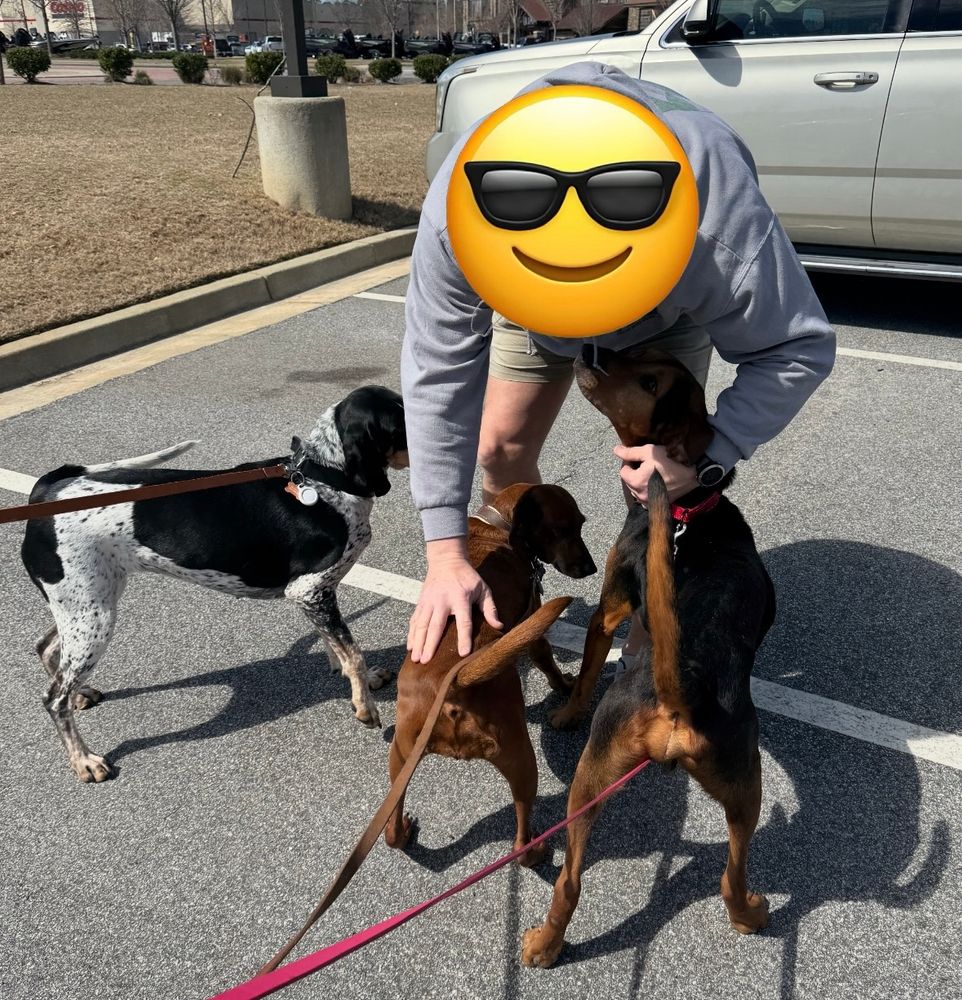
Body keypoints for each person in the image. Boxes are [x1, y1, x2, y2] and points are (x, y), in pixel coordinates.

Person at [401, 62, 836, 665]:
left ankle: (644, 626)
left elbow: (796, 346)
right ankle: (513, 588)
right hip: (523, 294)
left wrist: (711, 456)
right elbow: (438, 375)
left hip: (664, 309)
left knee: (660, 472)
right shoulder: (461, 216)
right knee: (498, 447)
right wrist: (445, 552)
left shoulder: (713, 216)